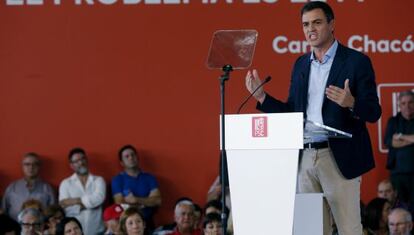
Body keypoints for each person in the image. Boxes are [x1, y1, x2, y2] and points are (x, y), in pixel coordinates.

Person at [244, 1, 381, 235]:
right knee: (312, 231)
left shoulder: (356, 61)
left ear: (332, 24)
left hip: (338, 156)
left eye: (317, 22)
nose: (311, 29)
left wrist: (352, 103)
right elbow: (292, 114)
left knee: (349, 230)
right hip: (305, 157)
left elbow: (373, 111)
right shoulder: (300, 64)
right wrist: (263, 98)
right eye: (305, 24)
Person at [111, 144, 161, 230]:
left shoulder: (149, 177)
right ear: (122, 163)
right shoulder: (117, 180)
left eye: (132, 155)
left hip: (148, 222)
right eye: (127, 156)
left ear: (137, 158)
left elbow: (157, 201)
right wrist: (145, 203)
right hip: (128, 224)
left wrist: (136, 200)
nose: (131, 158)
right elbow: (119, 204)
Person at [59, 147, 106, 235]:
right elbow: (65, 207)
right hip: (74, 232)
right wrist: (91, 205)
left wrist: (75, 201)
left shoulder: (98, 180)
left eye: (83, 159)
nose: (81, 162)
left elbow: (99, 199)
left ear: (87, 160)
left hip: (97, 230)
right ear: (71, 165)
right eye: (76, 161)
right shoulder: (65, 183)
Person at [1, 152, 56, 220]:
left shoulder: (47, 188)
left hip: (40, 228)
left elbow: (52, 213)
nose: (31, 167)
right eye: (27, 164)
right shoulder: (12, 187)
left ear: (39, 166)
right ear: (22, 166)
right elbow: (3, 211)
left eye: (35, 164)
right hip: (15, 228)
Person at [384, 91, 414, 210]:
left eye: (411, 102)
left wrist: (401, 136)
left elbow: (396, 140)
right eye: (403, 103)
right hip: (398, 174)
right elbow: (390, 142)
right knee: (400, 208)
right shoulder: (393, 121)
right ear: (399, 105)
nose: (407, 106)